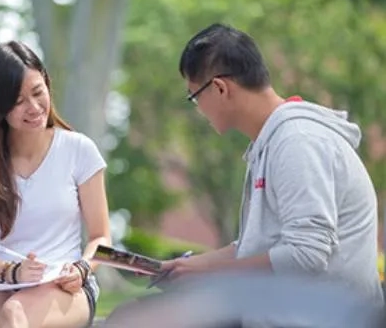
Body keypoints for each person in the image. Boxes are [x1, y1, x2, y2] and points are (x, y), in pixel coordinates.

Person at [163, 23, 384, 305]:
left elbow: (306, 254)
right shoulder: (275, 140)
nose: (198, 109)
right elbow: (264, 246)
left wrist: (214, 274)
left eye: (195, 97)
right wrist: (193, 266)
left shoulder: (298, 141)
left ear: (219, 88)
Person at [0, 41, 112, 328]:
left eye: (38, 92)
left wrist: (82, 269)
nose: (34, 107)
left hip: (65, 284)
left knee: (15, 316)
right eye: (18, 101)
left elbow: (101, 237)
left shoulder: (79, 149)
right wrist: (14, 273)